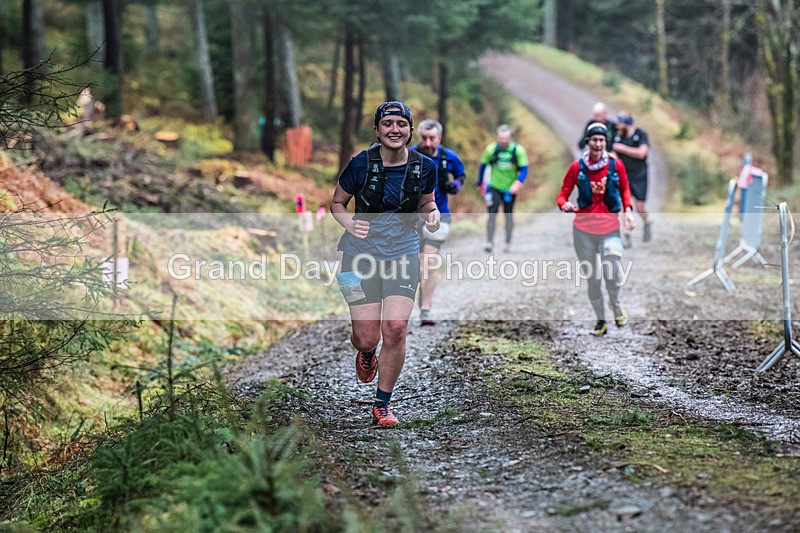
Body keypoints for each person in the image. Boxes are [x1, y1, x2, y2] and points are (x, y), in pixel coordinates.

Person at [330, 101, 440, 427]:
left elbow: (427, 202)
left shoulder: (424, 166)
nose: (395, 130)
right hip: (357, 257)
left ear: (410, 130)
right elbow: (337, 203)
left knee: (395, 329)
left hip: (403, 254)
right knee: (367, 337)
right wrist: (350, 224)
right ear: (377, 130)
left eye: (401, 124)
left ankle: (382, 404)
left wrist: (432, 214)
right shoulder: (360, 164)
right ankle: (366, 353)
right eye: (388, 124)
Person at [557, 122, 636, 337]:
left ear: (605, 142)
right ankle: (600, 320)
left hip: (610, 228)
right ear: (588, 142)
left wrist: (628, 212)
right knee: (593, 280)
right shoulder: (577, 167)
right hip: (583, 231)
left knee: (612, 273)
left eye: (602, 140)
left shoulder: (615, 165)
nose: (598, 144)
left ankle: (615, 303)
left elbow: (625, 189)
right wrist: (564, 204)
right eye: (594, 140)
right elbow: (562, 194)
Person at [410, 119, 465, 326]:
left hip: (440, 216)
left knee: (429, 264)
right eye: (424, 138)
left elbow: (460, 174)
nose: (427, 142)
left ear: (439, 138)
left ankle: (426, 309)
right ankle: (416, 301)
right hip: (411, 218)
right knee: (416, 267)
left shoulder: (448, 157)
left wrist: (455, 185)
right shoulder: (409, 155)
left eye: (432, 138)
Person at [476, 124, 529, 253]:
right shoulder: (491, 149)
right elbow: (483, 166)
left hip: (510, 189)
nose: (503, 141)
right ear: (497, 137)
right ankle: (489, 242)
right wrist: (480, 183)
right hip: (494, 187)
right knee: (492, 214)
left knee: (508, 215)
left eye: (506, 139)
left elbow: (524, 169)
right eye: (501, 139)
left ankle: (507, 243)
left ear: (511, 137)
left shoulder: (518, 150)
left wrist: (518, 183)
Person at [612, 112, 650, 245]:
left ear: (626, 123)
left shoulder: (641, 134)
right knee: (624, 206)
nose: (617, 125)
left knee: (640, 207)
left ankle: (647, 222)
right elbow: (614, 154)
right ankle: (626, 235)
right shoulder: (617, 137)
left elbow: (642, 153)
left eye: (620, 122)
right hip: (624, 176)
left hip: (640, 175)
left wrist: (623, 149)